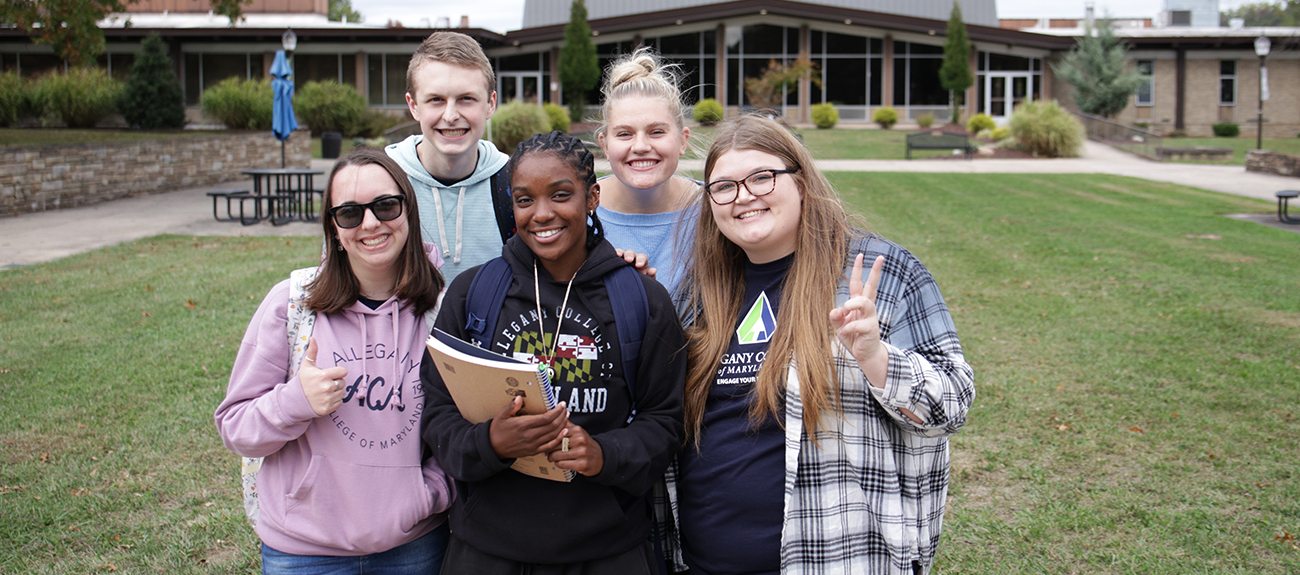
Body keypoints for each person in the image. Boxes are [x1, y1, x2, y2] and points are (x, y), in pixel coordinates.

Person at [659, 115, 975, 575]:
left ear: (801, 182)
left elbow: (953, 404)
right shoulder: (698, 292)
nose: (743, 196)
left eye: (762, 177)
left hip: (837, 558)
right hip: (700, 561)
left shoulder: (879, 274)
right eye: (723, 187)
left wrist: (876, 357)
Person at [421, 131, 686, 574]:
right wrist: (491, 442)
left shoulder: (642, 299)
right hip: (488, 550)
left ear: (592, 197)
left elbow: (666, 420)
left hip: (608, 550)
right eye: (524, 200)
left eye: (561, 195)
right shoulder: (472, 294)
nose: (542, 214)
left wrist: (604, 454)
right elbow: (436, 413)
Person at [215, 148, 454, 574]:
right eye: (349, 213)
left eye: (385, 205)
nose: (370, 223)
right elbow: (236, 428)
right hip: (303, 552)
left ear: (408, 209)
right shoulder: (291, 304)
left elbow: (461, 426)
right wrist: (295, 401)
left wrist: (427, 493)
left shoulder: (442, 310)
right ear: (334, 228)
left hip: (414, 546)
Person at [387, 31, 509, 281]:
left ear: (491, 103)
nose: (451, 115)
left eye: (466, 99)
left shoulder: (514, 184)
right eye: (436, 99)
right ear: (413, 106)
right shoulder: (381, 180)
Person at [595, 46, 699, 295]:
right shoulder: (580, 215)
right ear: (605, 145)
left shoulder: (714, 211)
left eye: (657, 132)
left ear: (682, 140)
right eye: (624, 134)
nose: (640, 146)